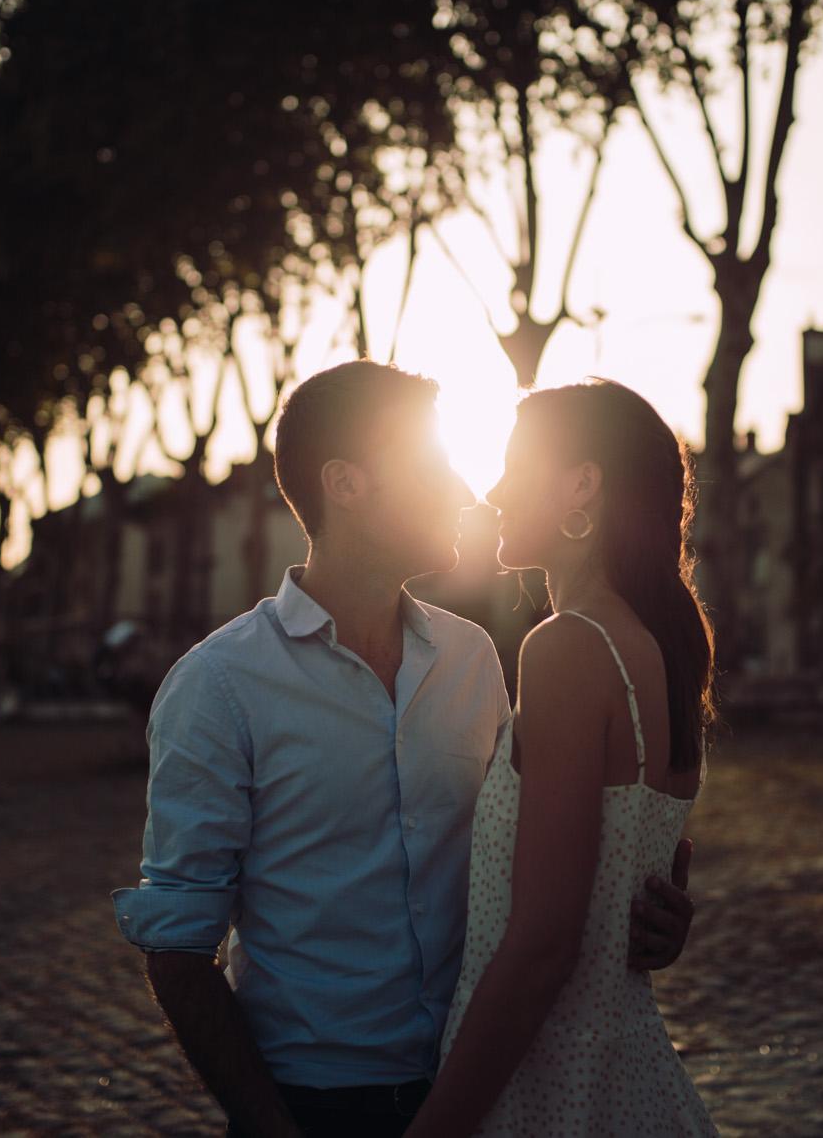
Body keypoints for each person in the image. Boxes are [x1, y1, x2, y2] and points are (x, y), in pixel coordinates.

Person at [112, 361, 695, 1138]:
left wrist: (653, 906)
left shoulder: (475, 658)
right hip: (316, 1106)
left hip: (480, 1085)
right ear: (346, 484)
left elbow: (549, 860)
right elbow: (178, 948)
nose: (466, 491)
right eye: (434, 464)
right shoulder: (218, 686)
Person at [405, 378, 719, 1137]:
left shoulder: (569, 648)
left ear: (582, 483)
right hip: (627, 1073)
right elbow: (635, 885)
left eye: (516, 464)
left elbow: (545, 943)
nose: (493, 487)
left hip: (549, 1085)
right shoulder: (666, 652)